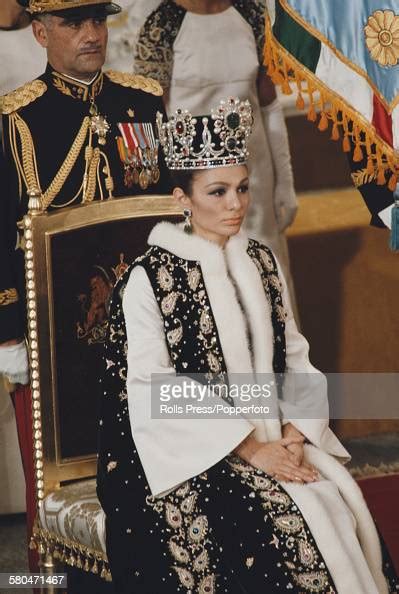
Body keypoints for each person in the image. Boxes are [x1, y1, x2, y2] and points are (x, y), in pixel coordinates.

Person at [97, 97, 399, 593]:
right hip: (182, 455)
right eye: (217, 192)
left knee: (332, 501)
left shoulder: (260, 261)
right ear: (182, 200)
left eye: (242, 188)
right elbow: (155, 392)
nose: (235, 204)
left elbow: (296, 358)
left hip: (272, 436)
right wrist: (250, 448)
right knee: (280, 522)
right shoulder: (147, 280)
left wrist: (295, 436)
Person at [0, 0, 171, 572]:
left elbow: (166, 215)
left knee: (154, 459)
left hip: (144, 323)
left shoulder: (140, 102)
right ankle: (55, 580)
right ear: (41, 32)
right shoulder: (17, 120)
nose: (92, 34)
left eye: (98, 21)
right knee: (55, 481)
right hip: (53, 333)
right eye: (75, 24)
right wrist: (9, 335)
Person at [133, 0, 298, 301]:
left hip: (254, 183)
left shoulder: (253, 14)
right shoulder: (162, 26)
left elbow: (270, 106)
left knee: (267, 281)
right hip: (196, 189)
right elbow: (151, 118)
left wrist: (285, 181)